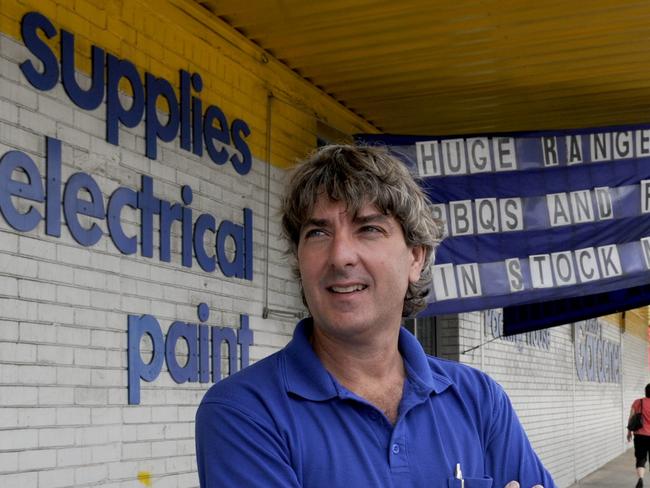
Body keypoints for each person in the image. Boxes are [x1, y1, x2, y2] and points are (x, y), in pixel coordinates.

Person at [195, 145, 556, 488]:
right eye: (318, 232)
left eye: (368, 228)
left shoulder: (479, 400)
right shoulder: (244, 412)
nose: (340, 256)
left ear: (415, 257)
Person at [628, 384, 650, 488]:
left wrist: (629, 432)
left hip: (640, 435)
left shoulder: (638, 402)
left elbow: (631, 418)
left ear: (645, 391)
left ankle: (641, 479)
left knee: (641, 458)